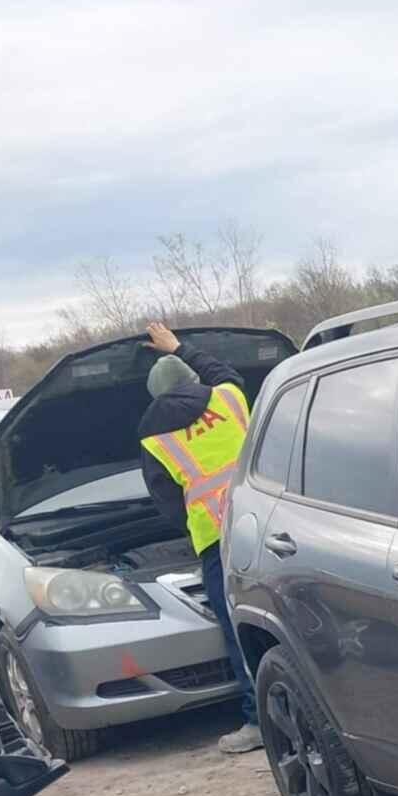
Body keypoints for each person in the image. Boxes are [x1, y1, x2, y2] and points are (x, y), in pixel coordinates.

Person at [138, 321, 262, 754]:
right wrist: (180, 347)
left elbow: (166, 503)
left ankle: (259, 722)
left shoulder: (154, 438)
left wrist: (193, 521)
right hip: (265, 522)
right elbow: (222, 370)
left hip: (215, 538)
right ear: (193, 380)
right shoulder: (230, 397)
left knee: (236, 627)